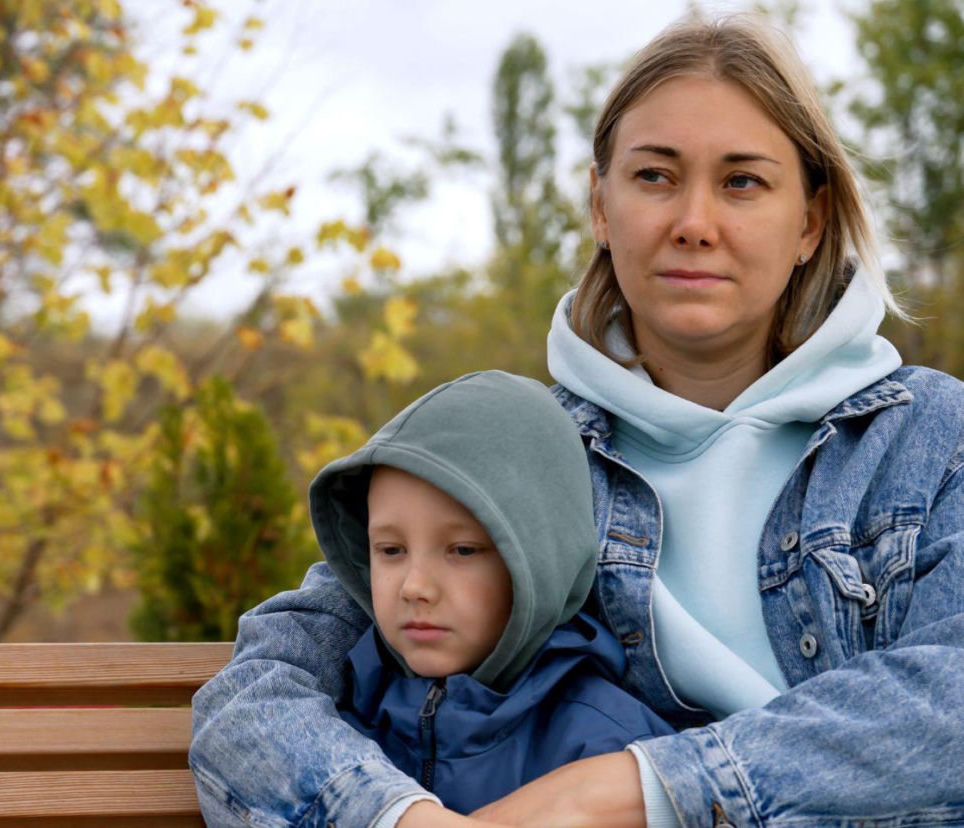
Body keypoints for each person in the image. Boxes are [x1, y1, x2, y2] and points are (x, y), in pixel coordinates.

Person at [189, 13, 964, 828]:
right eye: (655, 177)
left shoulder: (927, 440)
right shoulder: (517, 455)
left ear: (809, 221)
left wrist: (632, 791)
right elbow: (259, 692)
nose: (693, 222)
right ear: (601, 205)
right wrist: (397, 818)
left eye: (742, 182)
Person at [306, 370, 672, 817]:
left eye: (462, 550)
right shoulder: (339, 712)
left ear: (541, 563)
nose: (415, 587)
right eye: (391, 550)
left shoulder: (607, 746)